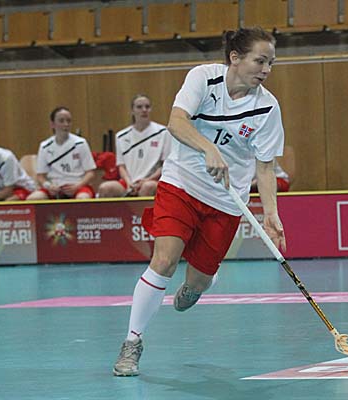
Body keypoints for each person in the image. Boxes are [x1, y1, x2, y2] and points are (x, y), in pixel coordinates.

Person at [112, 27, 287, 377]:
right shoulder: (204, 79)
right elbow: (176, 122)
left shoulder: (267, 107)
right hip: (181, 184)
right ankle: (132, 342)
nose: (266, 69)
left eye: (271, 63)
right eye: (260, 61)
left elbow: (265, 166)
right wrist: (208, 148)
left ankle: (198, 285)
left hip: (226, 200)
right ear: (235, 58)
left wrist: (271, 214)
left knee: (198, 281)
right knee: (164, 260)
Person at [97, 94, 172, 198]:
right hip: (128, 181)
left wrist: (147, 180)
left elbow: (165, 165)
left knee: (148, 187)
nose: (144, 110)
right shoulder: (121, 136)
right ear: (132, 111)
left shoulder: (163, 132)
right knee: (105, 188)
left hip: (151, 181)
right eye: (139, 107)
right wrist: (129, 183)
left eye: (147, 107)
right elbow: (121, 166)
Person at [26, 107, 97, 200]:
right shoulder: (45, 146)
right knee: (33, 198)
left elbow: (90, 173)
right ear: (52, 124)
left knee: (83, 198)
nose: (66, 124)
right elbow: (40, 176)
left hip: (78, 185)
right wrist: (48, 186)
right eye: (61, 121)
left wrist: (77, 186)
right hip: (55, 187)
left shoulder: (80, 143)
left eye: (68, 121)